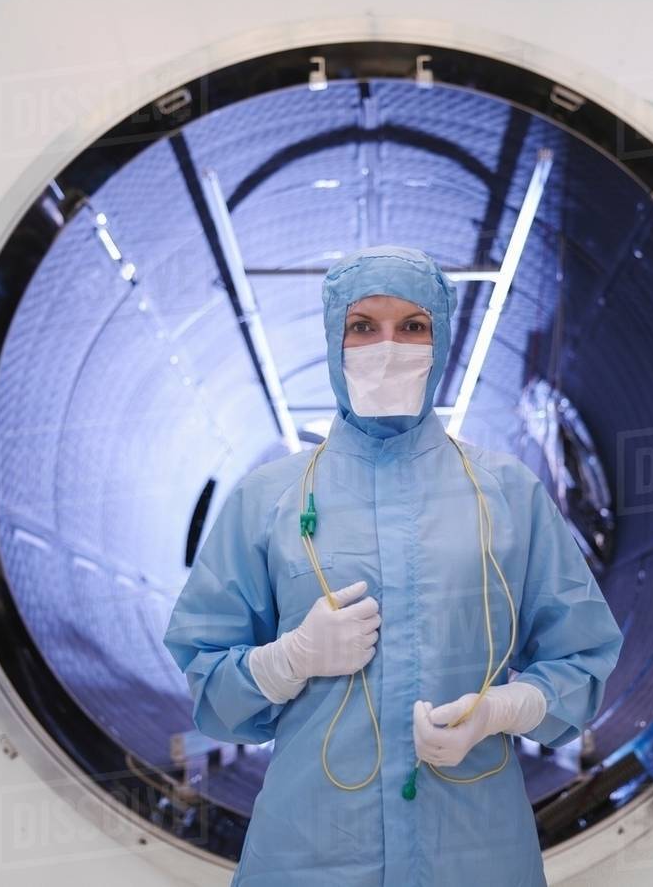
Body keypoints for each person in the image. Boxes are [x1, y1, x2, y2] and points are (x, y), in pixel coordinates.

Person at [162, 245, 624, 886]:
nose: (388, 345)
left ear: (440, 342)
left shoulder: (508, 495)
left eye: (413, 327)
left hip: (474, 855)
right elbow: (208, 680)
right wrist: (287, 659)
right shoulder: (267, 500)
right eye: (363, 327)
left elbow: (584, 657)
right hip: (309, 856)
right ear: (334, 340)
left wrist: (502, 710)